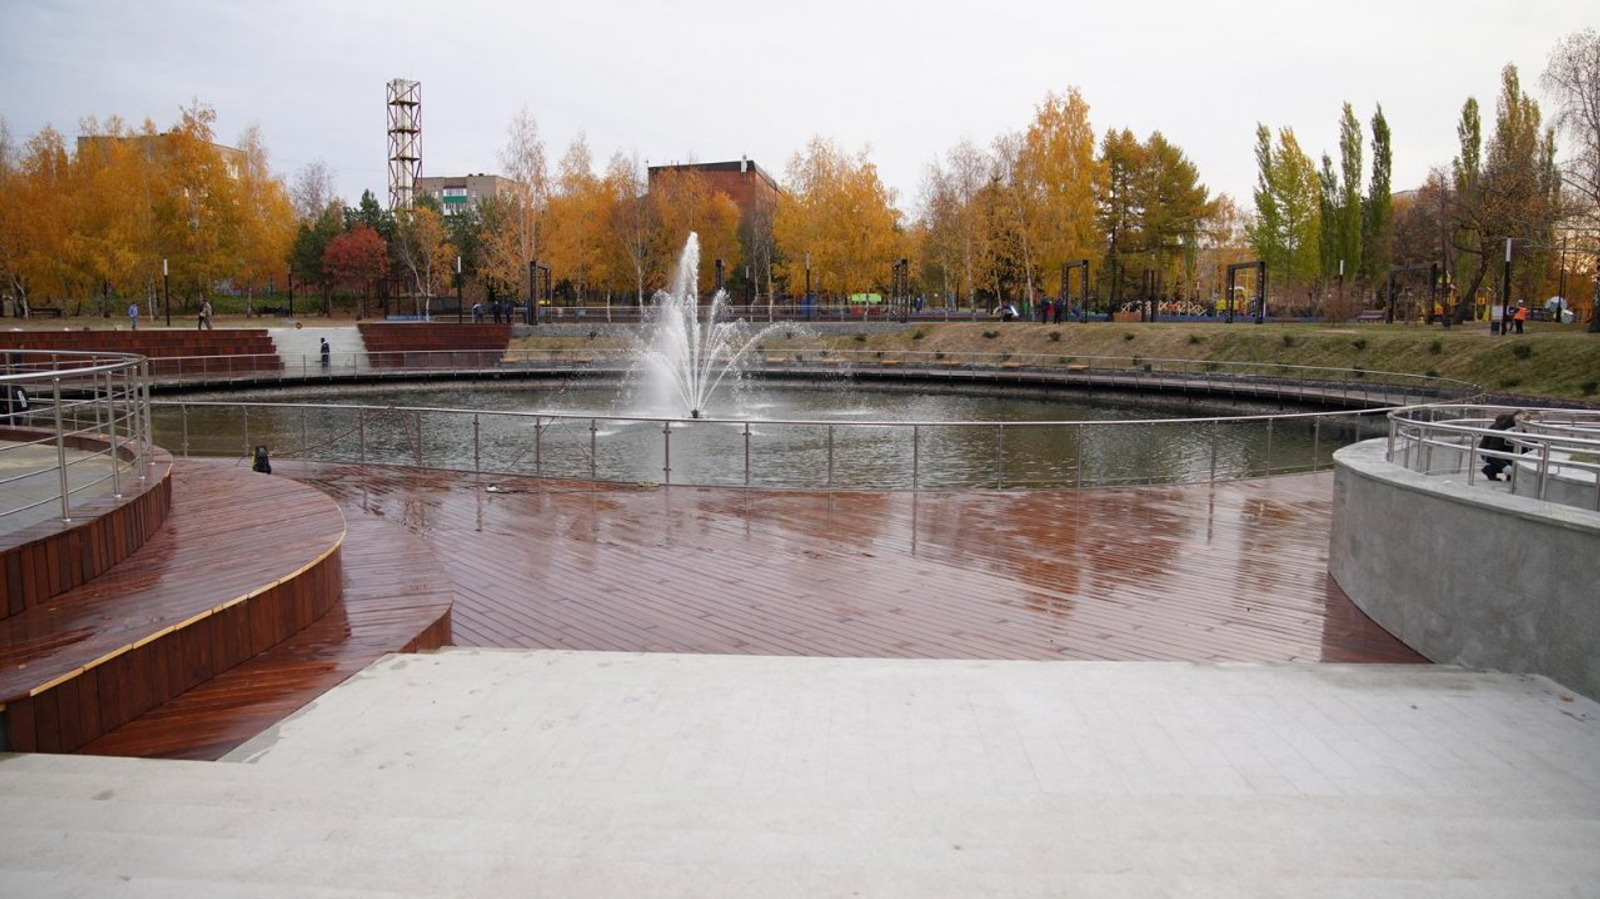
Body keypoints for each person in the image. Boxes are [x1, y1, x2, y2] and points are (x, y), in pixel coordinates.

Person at [1479, 411, 1519, 481]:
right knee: (1511, 460)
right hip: (1490, 453)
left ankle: (1510, 473)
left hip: (1503, 450)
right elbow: (1494, 449)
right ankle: (1490, 470)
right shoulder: (1500, 428)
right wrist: (1504, 466)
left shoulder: (1516, 427)